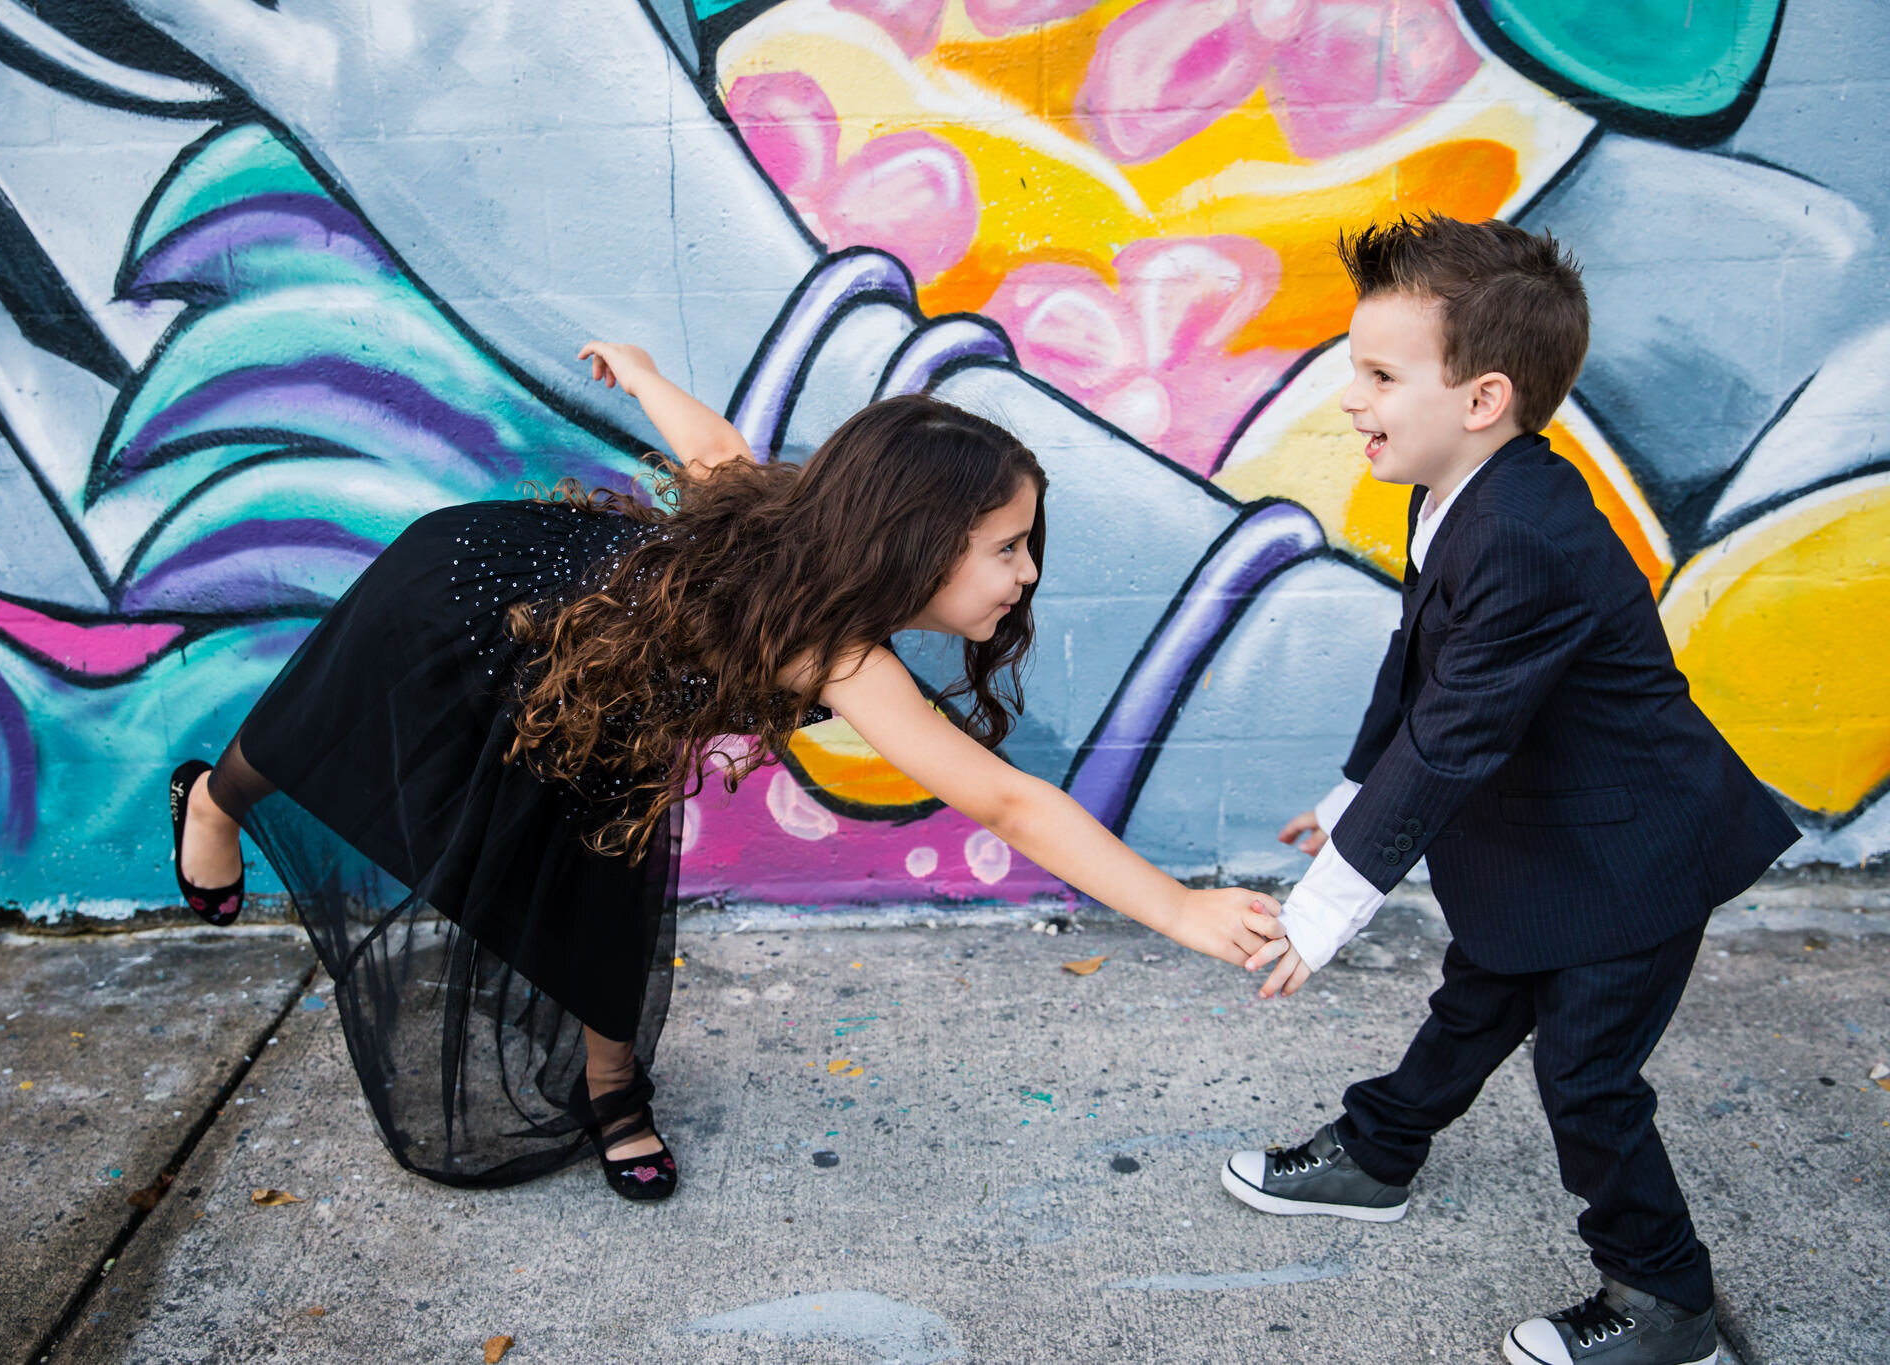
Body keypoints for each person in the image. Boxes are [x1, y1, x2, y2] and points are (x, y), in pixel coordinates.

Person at [168, 339, 1285, 1199]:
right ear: (909, 538)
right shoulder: (822, 622)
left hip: (599, 706)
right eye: (1005, 547)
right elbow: (1001, 794)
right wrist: (1177, 909)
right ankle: (213, 804)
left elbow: (711, 450)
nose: (1025, 574)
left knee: (601, 895)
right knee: (318, 731)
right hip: (466, 600)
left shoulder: (827, 594)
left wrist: (647, 374)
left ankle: (611, 1089)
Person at [1218, 217, 1799, 1365]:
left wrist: (1325, 905)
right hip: (1549, 846)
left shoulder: (1527, 531)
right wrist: (1348, 797)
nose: (1350, 397)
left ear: (1480, 398)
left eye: (1379, 374)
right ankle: (1377, 1152)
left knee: (1584, 1080)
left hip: (1633, 858)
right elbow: (1422, 671)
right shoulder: (1448, 489)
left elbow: (1452, 739)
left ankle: (1663, 1298)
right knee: (1477, 994)